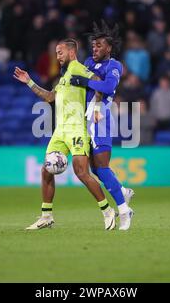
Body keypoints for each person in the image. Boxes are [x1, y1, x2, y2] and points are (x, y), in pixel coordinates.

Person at [13, 38, 116, 230]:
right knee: (46, 170)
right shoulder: (64, 77)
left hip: (77, 129)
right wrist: (29, 82)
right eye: (56, 53)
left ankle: (107, 210)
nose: (57, 57)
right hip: (60, 131)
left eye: (60, 52)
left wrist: (96, 107)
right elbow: (50, 97)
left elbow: (98, 82)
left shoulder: (77, 68)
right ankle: (46, 216)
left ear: (71, 52)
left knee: (81, 172)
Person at [69, 21, 134, 230]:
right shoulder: (88, 61)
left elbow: (108, 86)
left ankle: (124, 210)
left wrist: (85, 82)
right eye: (93, 45)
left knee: (102, 168)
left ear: (109, 48)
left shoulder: (114, 66)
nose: (95, 49)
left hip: (101, 117)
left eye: (99, 46)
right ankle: (122, 191)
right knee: (95, 168)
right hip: (87, 118)